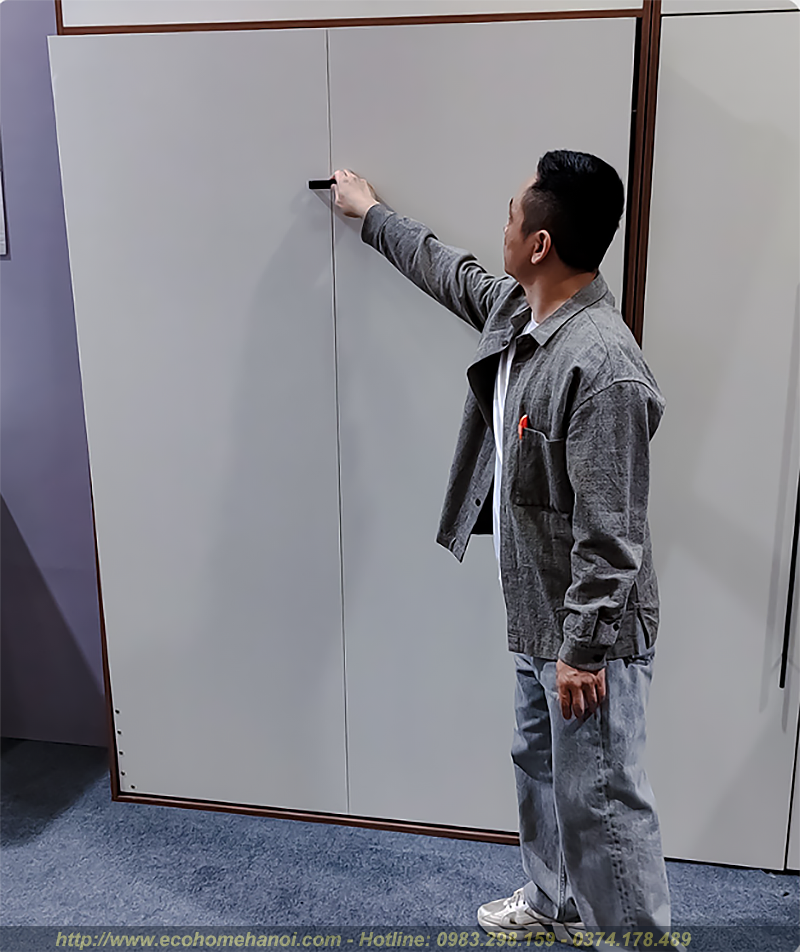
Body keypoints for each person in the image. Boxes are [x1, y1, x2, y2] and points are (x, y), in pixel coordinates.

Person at [330, 152, 673, 944]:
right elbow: (448, 271)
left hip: (590, 639)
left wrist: (582, 651)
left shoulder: (604, 366)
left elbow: (613, 531)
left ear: (541, 243)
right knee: (541, 768)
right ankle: (555, 903)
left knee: (603, 802)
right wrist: (368, 213)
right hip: (536, 613)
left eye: (512, 213)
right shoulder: (521, 315)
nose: (504, 224)